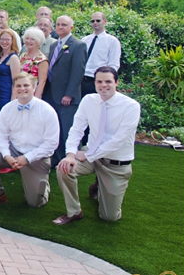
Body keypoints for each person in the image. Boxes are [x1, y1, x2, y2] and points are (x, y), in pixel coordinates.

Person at [54, 66, 140, 224]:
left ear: (117, 83)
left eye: (108, 81)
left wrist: (87, 155)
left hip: (115, 164)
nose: (103, 85)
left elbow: (118, 140)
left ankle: (100, 185)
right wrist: (70, 155)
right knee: (64, 168)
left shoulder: (131, 106)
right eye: (99, 81)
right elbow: (77, 129)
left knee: (109, 217)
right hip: (92, 156)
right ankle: (74, 212)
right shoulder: (89, 100)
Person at [0, 73, 59, 208]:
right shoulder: (7, 109)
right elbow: (1, 136)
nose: (22, 89)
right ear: (14, 88)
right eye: (19, 86)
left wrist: (27, 158)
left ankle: (43, 186)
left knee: (35, 203)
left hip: (37, 156)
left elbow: (51, 143)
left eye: (26, 85)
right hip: (13, 150)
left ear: (34, 87)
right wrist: (7, 155)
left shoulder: (47, 110)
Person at [44, 15, 88, 167]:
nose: (60, 27)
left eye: (64, 25)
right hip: (51, 94)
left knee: (66, 130)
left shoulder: (78, 45)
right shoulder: (54, 45)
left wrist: (69, 94)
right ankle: (55, 158)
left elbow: (78, 72)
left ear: (71, 28)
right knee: (55, 129)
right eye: (58, 24)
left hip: (66, 96)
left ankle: (67, 159)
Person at [0, 29, 22, 146]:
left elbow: (16, 81)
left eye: (7, 39)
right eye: (2, 39)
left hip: (5, 96)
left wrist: (13, 101)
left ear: (13, 41)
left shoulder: (13, 58)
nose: (4, 42)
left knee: (6, 127)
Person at [81, 12, 121, 97]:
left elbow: (113, 64)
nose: (95, 23)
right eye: (93, 21)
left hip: (97, 80)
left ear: (105, 21)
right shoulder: (84, 40)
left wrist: (106, 81)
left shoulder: (112, 41)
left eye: (98, 20)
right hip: (81, 79)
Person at [20, 27, 49, 99]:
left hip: (32, 93)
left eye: (32, 39)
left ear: (38, 41)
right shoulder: (22, 56)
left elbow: (42, 82)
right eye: (27, 38)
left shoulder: (42, 59)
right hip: (20, 91)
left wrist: (35, 99)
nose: (28, 41)